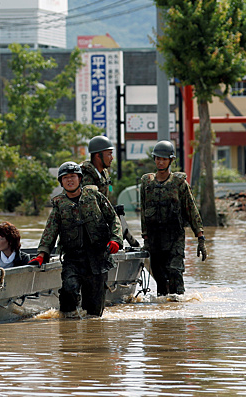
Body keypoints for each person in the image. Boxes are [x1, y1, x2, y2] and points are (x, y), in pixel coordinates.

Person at [31, 161, 122, 317]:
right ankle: (68, 331)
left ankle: (91, 337)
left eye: (73, 176)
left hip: (98, 258)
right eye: (65, 177)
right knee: (69, 289)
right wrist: (42, 254)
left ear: (80, 178)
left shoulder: (95, 196)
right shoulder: (59, 204)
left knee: (94, 311)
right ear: (61, 182)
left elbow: (114, 219)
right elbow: (50, 231)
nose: (70, 180)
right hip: (73, 258)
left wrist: (116, 240)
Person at [139, 140, 207, 297]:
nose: (160, 162)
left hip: (174, 237)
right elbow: (143, 211)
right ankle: (165, 316)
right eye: (158, 158)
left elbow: (191, 210)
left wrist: (201, 238)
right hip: (155, 239)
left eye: (164, 159)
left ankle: (179, 312)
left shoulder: (179, 183)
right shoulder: (146, 182)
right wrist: (145, 238)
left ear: (170, 160)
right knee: (161, 281)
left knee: (175, 273)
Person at [80, 135, 140, 248]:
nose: (112, 158)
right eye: (109, 154)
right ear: (98, 155)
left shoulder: (103, 173)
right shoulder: (86, 177)